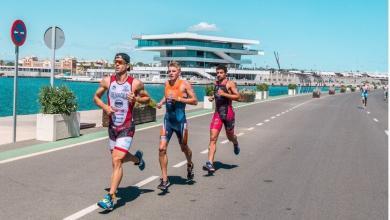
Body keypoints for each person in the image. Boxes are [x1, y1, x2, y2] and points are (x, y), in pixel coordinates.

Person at [93, 53, 150, 211]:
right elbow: (96, 97)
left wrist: (136, 99)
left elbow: (147, 99)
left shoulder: (135, 83)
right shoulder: (107, 81)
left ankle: (110, 198)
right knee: (117, 159)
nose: (117, 64)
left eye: (120, 62)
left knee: (117, 160)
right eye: (115, 62)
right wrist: (105, 107)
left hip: (127, 127)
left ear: (127, 66)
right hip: (112, 127)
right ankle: (137, 159)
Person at [156, 61, 198, 190]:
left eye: (173, 71)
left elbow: (195, 101)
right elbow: (166, 95)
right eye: (169, 71)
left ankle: (190, 163)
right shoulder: (166, 83)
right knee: (161, 149)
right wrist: (161, 102)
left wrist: (179, 99)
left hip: (180, 121)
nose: (170, 73)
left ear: (179, 72)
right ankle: (165, 179)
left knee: (184, 147)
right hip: (167, 121)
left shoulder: (185, 84)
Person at [203, 64, 241, 174]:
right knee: (213, 138)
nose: (218, 74)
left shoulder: (230, 84)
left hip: (228, 114)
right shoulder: (216, 83)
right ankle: (210, 162)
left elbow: (238, 96)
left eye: (221, 73)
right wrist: (212, 97)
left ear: (225, 74)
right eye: (217, 73)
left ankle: (235, 142)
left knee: (230, 137)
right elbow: (216, 94)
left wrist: (224, 93)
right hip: (218, 114)